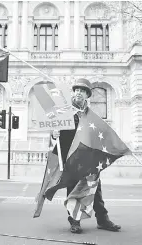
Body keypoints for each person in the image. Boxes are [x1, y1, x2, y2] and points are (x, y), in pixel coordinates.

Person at [51, 78, 121, 234]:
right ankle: (74, 222)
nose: (78, 93)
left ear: (87, 95)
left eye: (82, 91)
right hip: (72, 159)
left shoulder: (92, 117)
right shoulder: (65, 113)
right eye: (76, 90)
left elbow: (99, 137)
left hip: (89, 161)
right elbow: (55, 135)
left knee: (95, 192)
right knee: (73, 192)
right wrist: (54, 134)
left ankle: (103, 220)